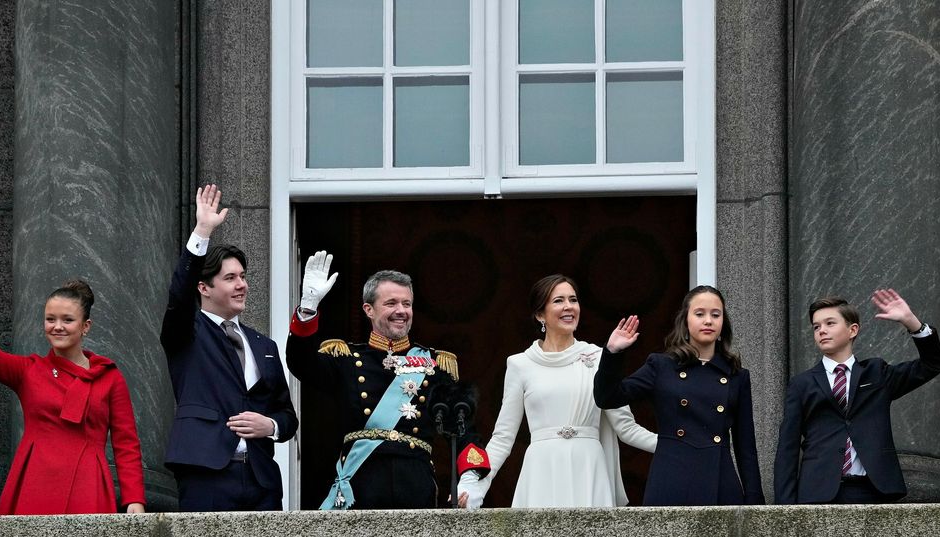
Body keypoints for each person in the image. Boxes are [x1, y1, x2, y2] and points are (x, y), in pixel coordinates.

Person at [0, 254, 146, 515]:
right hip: (34, 483)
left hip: (88, 484)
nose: (57, 327)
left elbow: (126, 443)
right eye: (50, 319)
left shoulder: (109, 377)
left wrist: (134, 501)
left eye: (67, 320)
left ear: (85, 326)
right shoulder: (29, 370)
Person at [287, 251, 490, 509]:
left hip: (415, 486)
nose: (401, 311)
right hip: (360, 486)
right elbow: (300, 363)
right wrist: (308, 308)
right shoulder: (346, 357)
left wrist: (470, 480)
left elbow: (463, 427)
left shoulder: (436, 364)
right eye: (391, 303)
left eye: (407, 304)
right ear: (368, 309)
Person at [458, 275, 656, 509]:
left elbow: (627, 428)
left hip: (588, 467)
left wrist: (680, 445)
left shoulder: (600, 357)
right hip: (542, 469)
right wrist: (475, 486)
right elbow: (503, 438)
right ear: (540, 315)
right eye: (558, 300)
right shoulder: (520, 364)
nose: (569, 306)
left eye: (573, 299)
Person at [161, 184, 298, 511]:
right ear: (204, 287)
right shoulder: (187, 331)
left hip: (261, 478)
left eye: (243, 276)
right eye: (231, 278)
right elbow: (179, 296)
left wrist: (272, 426)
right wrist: (202, 231)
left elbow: (287, 415)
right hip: (206, 473)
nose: (242, 285)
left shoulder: (263, 345)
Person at [773, 289, 940, 504]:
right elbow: (787, 448)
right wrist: (785, 507)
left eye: (830, 323)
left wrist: (911, 322)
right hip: (817, 491)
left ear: (852, 330)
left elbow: (934, 363)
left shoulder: (877, 373)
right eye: (816, 326)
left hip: (874, 489)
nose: (821, 331)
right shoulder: (801, 384)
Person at [593, 285, 763, 505]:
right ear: (686, 321)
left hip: (720, 480)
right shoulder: (661, 366)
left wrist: (755, 502)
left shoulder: (737, 376)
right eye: (699, 314)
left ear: (724, 323)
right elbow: (607, 397)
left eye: (715, 314)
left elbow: (745, 446)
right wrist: (612, 353)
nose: (708, 321)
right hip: (671, 478)